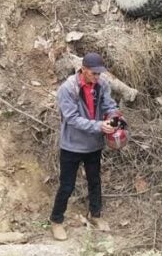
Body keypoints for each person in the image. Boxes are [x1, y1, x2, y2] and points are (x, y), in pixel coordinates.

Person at [49, 52, 122, 240]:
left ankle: (95, 215)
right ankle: (56, 221)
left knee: (95, 181)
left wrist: (115, 118)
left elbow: (109, 105)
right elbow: (71, 118)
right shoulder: (68, 88)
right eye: (93, 74)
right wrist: (98, 126)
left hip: (94, 144)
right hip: (72, 145)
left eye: (99, 74)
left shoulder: (102, 84)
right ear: (83, 70)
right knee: (67, 185)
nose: (97, 77)